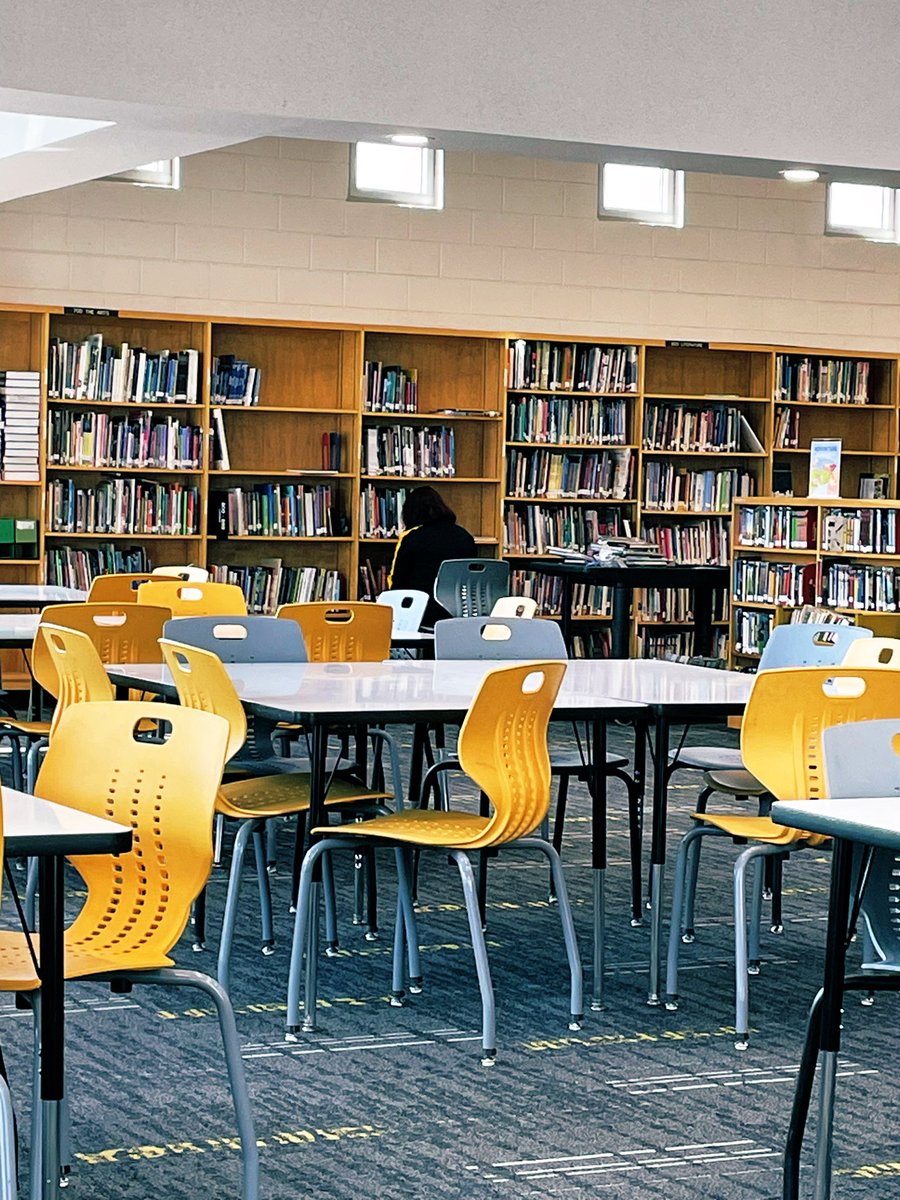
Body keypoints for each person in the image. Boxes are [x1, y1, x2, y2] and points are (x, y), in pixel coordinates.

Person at [388, 486, 477, 627]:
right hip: (459, 613)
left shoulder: (413, 538)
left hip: (421, 614)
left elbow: (398, 584)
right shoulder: (465, 537)